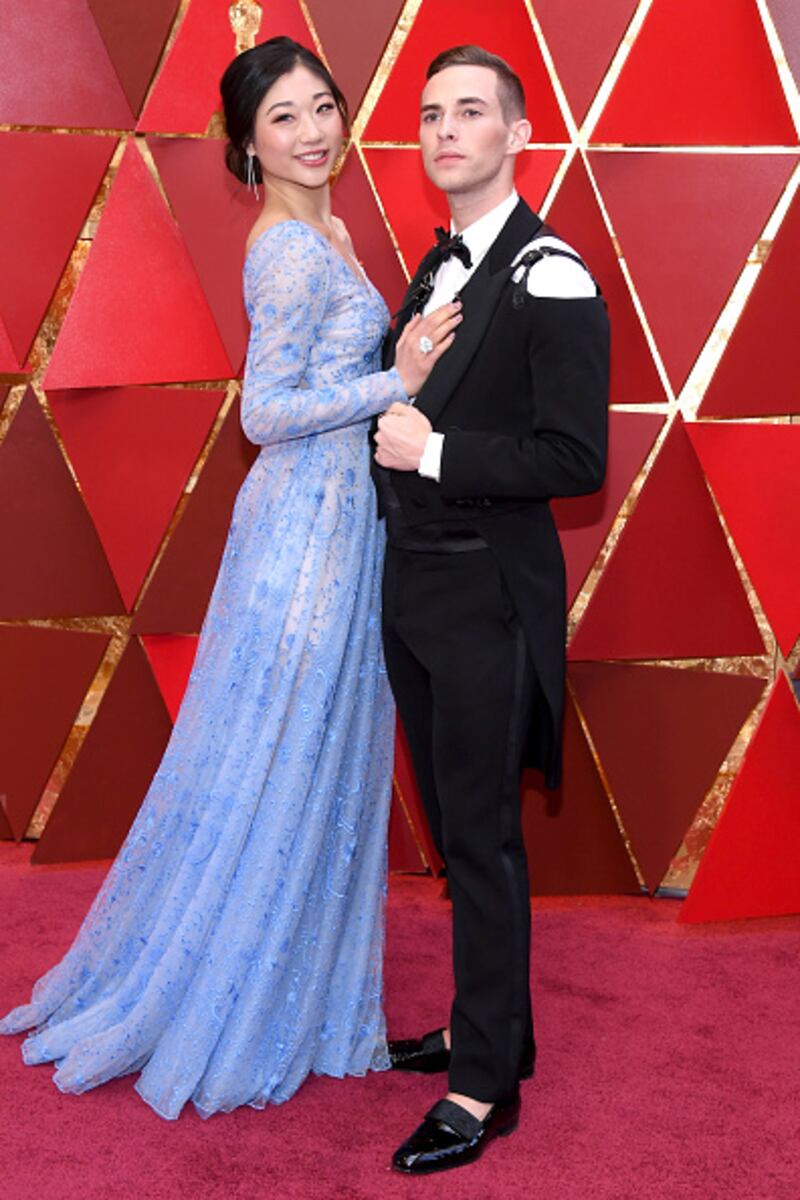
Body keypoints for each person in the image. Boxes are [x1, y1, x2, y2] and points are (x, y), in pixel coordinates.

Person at [0, 37, 460, 1120]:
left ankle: (290, 993)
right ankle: (231, 1000)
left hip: (340, 521)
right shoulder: (286, 250)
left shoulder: (329, 228)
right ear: (248, 147)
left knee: (307, 757)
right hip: (303, 533)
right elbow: (264, 412)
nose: (312, 132)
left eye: (321, 107)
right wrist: (391, 380)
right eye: (282, 119)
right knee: (275, 757)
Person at [372, 45, 610, 1173]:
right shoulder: (436, 268)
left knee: (480, 840)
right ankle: (493, 1035)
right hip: (415, 591)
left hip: (489, 599)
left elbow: (575, 457)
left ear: (517, 135)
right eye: (430, 114)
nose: (445, 130)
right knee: (456, 832)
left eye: (470, 112)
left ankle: (481, 1089)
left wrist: (434, 452)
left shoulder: (550, 272)